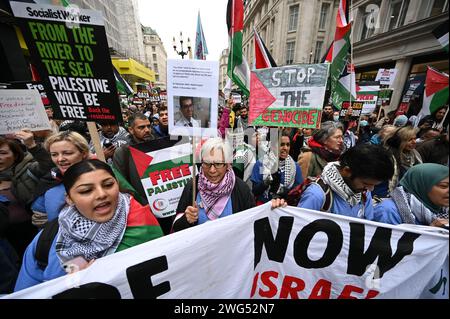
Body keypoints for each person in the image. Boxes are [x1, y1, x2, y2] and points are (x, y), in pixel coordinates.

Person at [14, 159, 163, 291]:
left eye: (108, 184)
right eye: (86, 190)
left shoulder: (143, 222)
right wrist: (74, 284)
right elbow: (26, 291)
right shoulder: (47, 238)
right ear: (70, 199)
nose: (101, 194)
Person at [172, 138, 286, 232]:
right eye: (207, 164)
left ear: (228, 165)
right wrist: (185, 220)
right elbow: (176, 228)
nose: (212, 170)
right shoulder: (192, 186)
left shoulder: (241, 189)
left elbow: (253, 223)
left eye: (218, 164)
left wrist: (272, 210)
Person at [298, 144, 394, 219]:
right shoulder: (317, 195)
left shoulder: (364, 194)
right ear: (346, 171)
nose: (370, 189)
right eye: (366, 183)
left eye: (374, 185)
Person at [0, 133, 54, 257]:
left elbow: (50, 168)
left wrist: (32, 145)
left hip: (36, 231)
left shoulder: (29, 168)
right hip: (8, 241)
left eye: (3, 153)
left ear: (15, 155)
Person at [30, 131, 90, 228]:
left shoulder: (102, 175)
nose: (60, 159)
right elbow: (40, 218)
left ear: (83, 153)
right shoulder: (50, 180)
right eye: (54, 154)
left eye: (67, 153)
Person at [373, 163, 448, 226]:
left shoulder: (443, 211)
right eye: (444, 186)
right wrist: (428, 234)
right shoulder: (388, 211)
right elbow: (386, 242)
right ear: (421, 186)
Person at [251, 131, 303, 204]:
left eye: (288, 145)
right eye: (281, 145)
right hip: (264, 206)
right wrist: (267, 181)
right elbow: (255, 191)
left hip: (284, 208)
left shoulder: (295, 167)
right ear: (272, 146)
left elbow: (296, 194)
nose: (285, 148)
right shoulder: (261, 163)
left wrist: (280, 189)